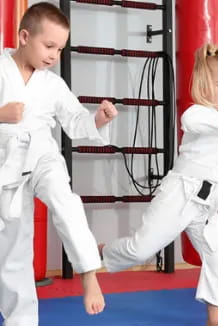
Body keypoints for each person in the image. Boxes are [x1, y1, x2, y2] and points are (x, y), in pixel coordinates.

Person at [100, 43, 218, 326]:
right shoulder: (200, 113)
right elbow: (191, 120)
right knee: (141, 249)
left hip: (210, 206)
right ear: (205, 86)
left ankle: (214, 317)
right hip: (181, 194)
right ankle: (101, 251)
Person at [0, 2, 117, 325]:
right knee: (14, 250)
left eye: (60, 49)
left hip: (43, 157)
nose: (54, 55)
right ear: (24, 36)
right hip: (6, 169)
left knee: (66, 203)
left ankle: (89, 274)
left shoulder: (52, 84)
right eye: (49, 46)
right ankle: (20, 321)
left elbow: (74, 120)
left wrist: (97, 118)